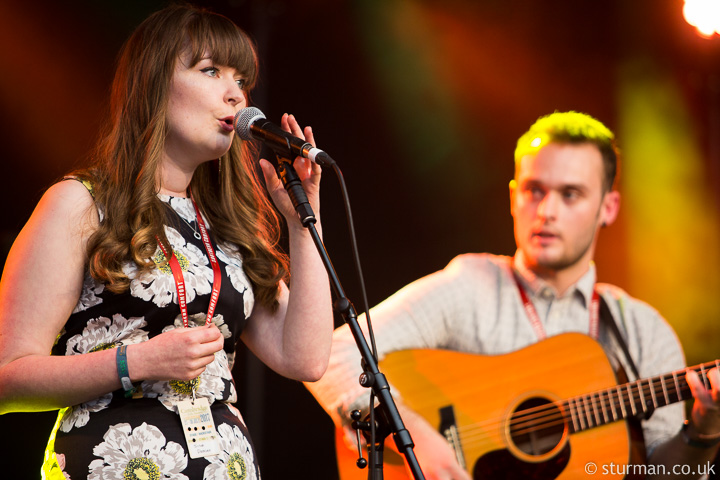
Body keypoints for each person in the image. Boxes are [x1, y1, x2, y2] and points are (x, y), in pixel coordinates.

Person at [0, 4, 333, 479]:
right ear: (154, 82)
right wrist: (136, 361)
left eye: (241, 81)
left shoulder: (229, 226)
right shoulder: (79, 203)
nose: (235, 95)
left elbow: (305, 358)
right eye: (211, 70)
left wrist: (304, 221)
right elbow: (7, 377)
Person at [306, 111, 720, 479]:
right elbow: (332, 355)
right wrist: (412, 434)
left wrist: (703, 431)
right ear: (513, 197)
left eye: (570, 194)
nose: (547, 211)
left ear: (608, 208)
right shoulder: (472, 284)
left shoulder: (644, 332)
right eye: (534, 190)